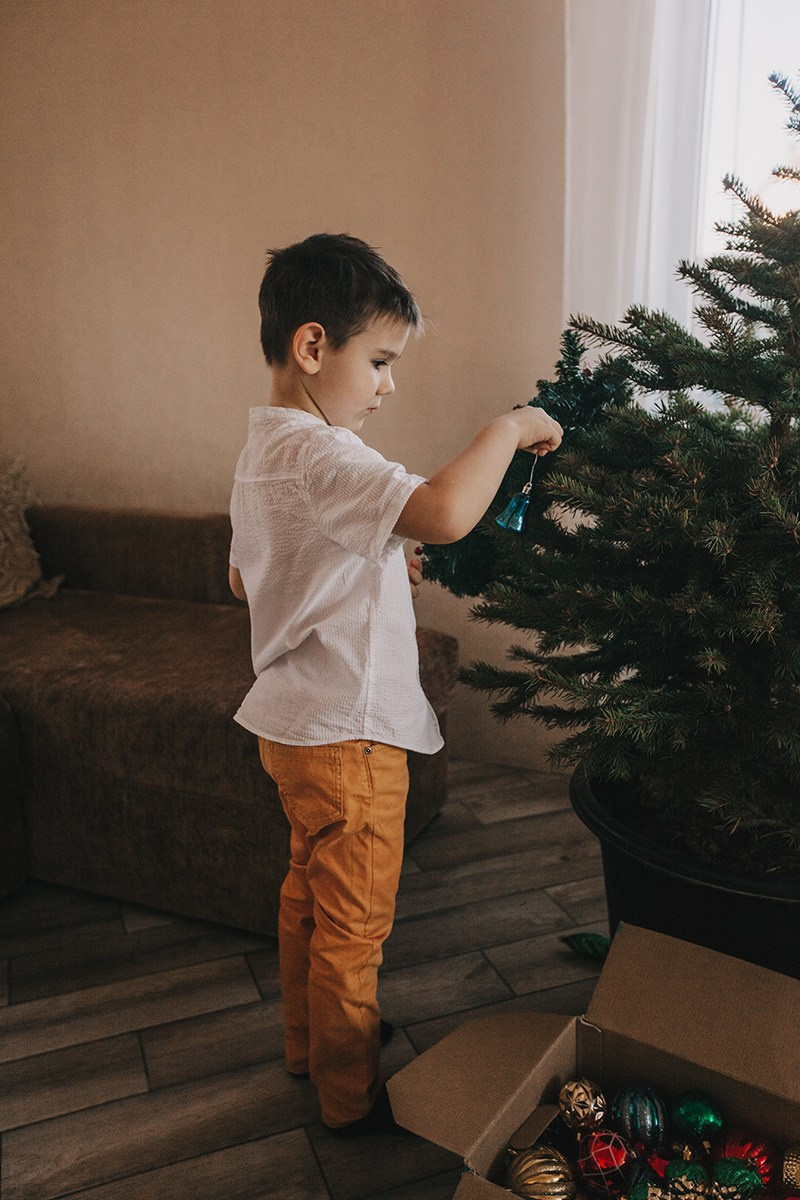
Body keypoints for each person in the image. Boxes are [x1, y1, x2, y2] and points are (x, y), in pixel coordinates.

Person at [228, 233, 562, 1136]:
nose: (387, 384)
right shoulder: (330, 454)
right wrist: (510, 427)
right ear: (311, 348)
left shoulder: (263, 454)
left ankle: (306, 1048)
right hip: (353, 736)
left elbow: (250, 576)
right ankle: (350, 1097)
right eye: (377, 361)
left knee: (307, 896)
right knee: (353, 930)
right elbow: (450, 512)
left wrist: (376, 559)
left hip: (292, 734)